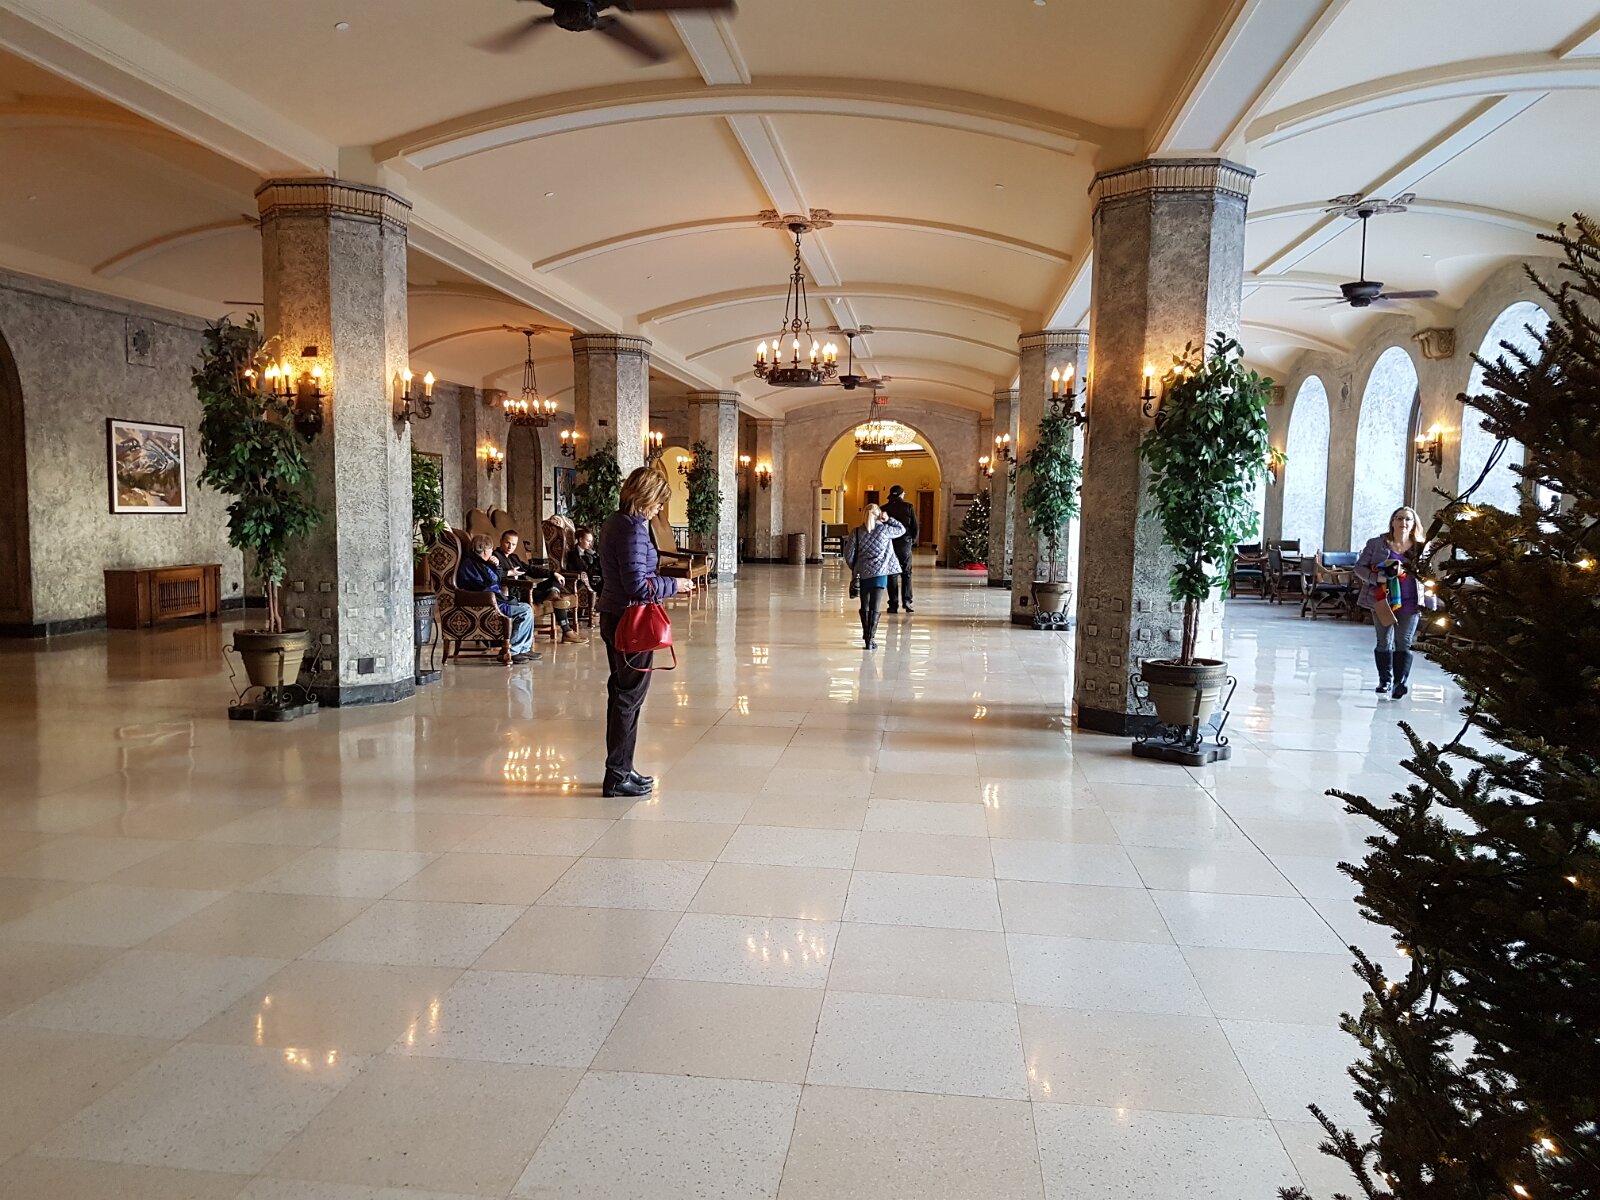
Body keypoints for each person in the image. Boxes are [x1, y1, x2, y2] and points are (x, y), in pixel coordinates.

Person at [597, 467, 694, 798]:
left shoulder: (615, 522)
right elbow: (638, 585)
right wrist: (675, 585)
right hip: (631, 621)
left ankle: (623, 767)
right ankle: (617, 774)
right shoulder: (633, 530)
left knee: (624, 694)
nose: (659, 509)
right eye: (658, 502)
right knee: (628, 698)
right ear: (645, 497)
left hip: (614, 615)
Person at [1354, 505, 1428, 699]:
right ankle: (1385, 680)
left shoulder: (1421, 547)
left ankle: (1399, 683)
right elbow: (1359, 567)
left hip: (1410, 601)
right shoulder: (1377, 544)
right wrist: (1375, 578)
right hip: (1382, 600)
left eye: (1408, 519)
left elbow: (1427, 573)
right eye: (1399, 518)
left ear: (1414, 524)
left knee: (1404, 642)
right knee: (1384, 641)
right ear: (1392, 522)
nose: (1404, 522)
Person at [456, 533, 540, 664]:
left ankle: (524, 648)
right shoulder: (470, 564)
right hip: (486, 603)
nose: (492, 552)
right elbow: (486, 585)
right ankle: (512, 651)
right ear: (485, 551)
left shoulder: (480, 562)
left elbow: (495, 578)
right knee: (524, 611)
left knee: (526, 607)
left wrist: (496, 565)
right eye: (490, 549)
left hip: (493, 599)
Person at [497, 530, 586, 644]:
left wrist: (553, 573)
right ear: (501, 541)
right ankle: (567, 631)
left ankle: (553, 594)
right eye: (507, 543)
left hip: (528, 589)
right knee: (557, 600)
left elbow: (531, 570)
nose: (510, 547)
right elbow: (495, 575)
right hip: (516, 594)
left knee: (555, 579)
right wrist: (510, 573)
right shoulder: (495, 557)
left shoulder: (513, 557)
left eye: (513, 544)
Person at [844, 503, 906, 650]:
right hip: (880, 574)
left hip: (863, 573)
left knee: (864, 606)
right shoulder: (884, 530)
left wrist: (855, 568)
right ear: (878, 515)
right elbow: (902, 529)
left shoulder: (856, 532)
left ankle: (866, 636)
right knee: (875, 607)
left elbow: (848, 555)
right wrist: (888, 519)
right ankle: (870, 639)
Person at [882, 484, 919, 614]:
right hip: (905, 544)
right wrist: (912, 541)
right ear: (902, 494)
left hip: (889, 544)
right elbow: (915, 526)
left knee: (891, 574)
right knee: (906, 573)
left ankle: (893, 604)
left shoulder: (884, 509)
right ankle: (907, 602)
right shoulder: (908, 507)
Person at [565, 526, 603, 597]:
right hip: (585, 583)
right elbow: (586, 572)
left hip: (597, 580)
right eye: (588, 541)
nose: (590, 544)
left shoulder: (591, 554)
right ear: (580, 539)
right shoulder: (573, 555)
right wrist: (596, 560)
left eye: (591, 541)